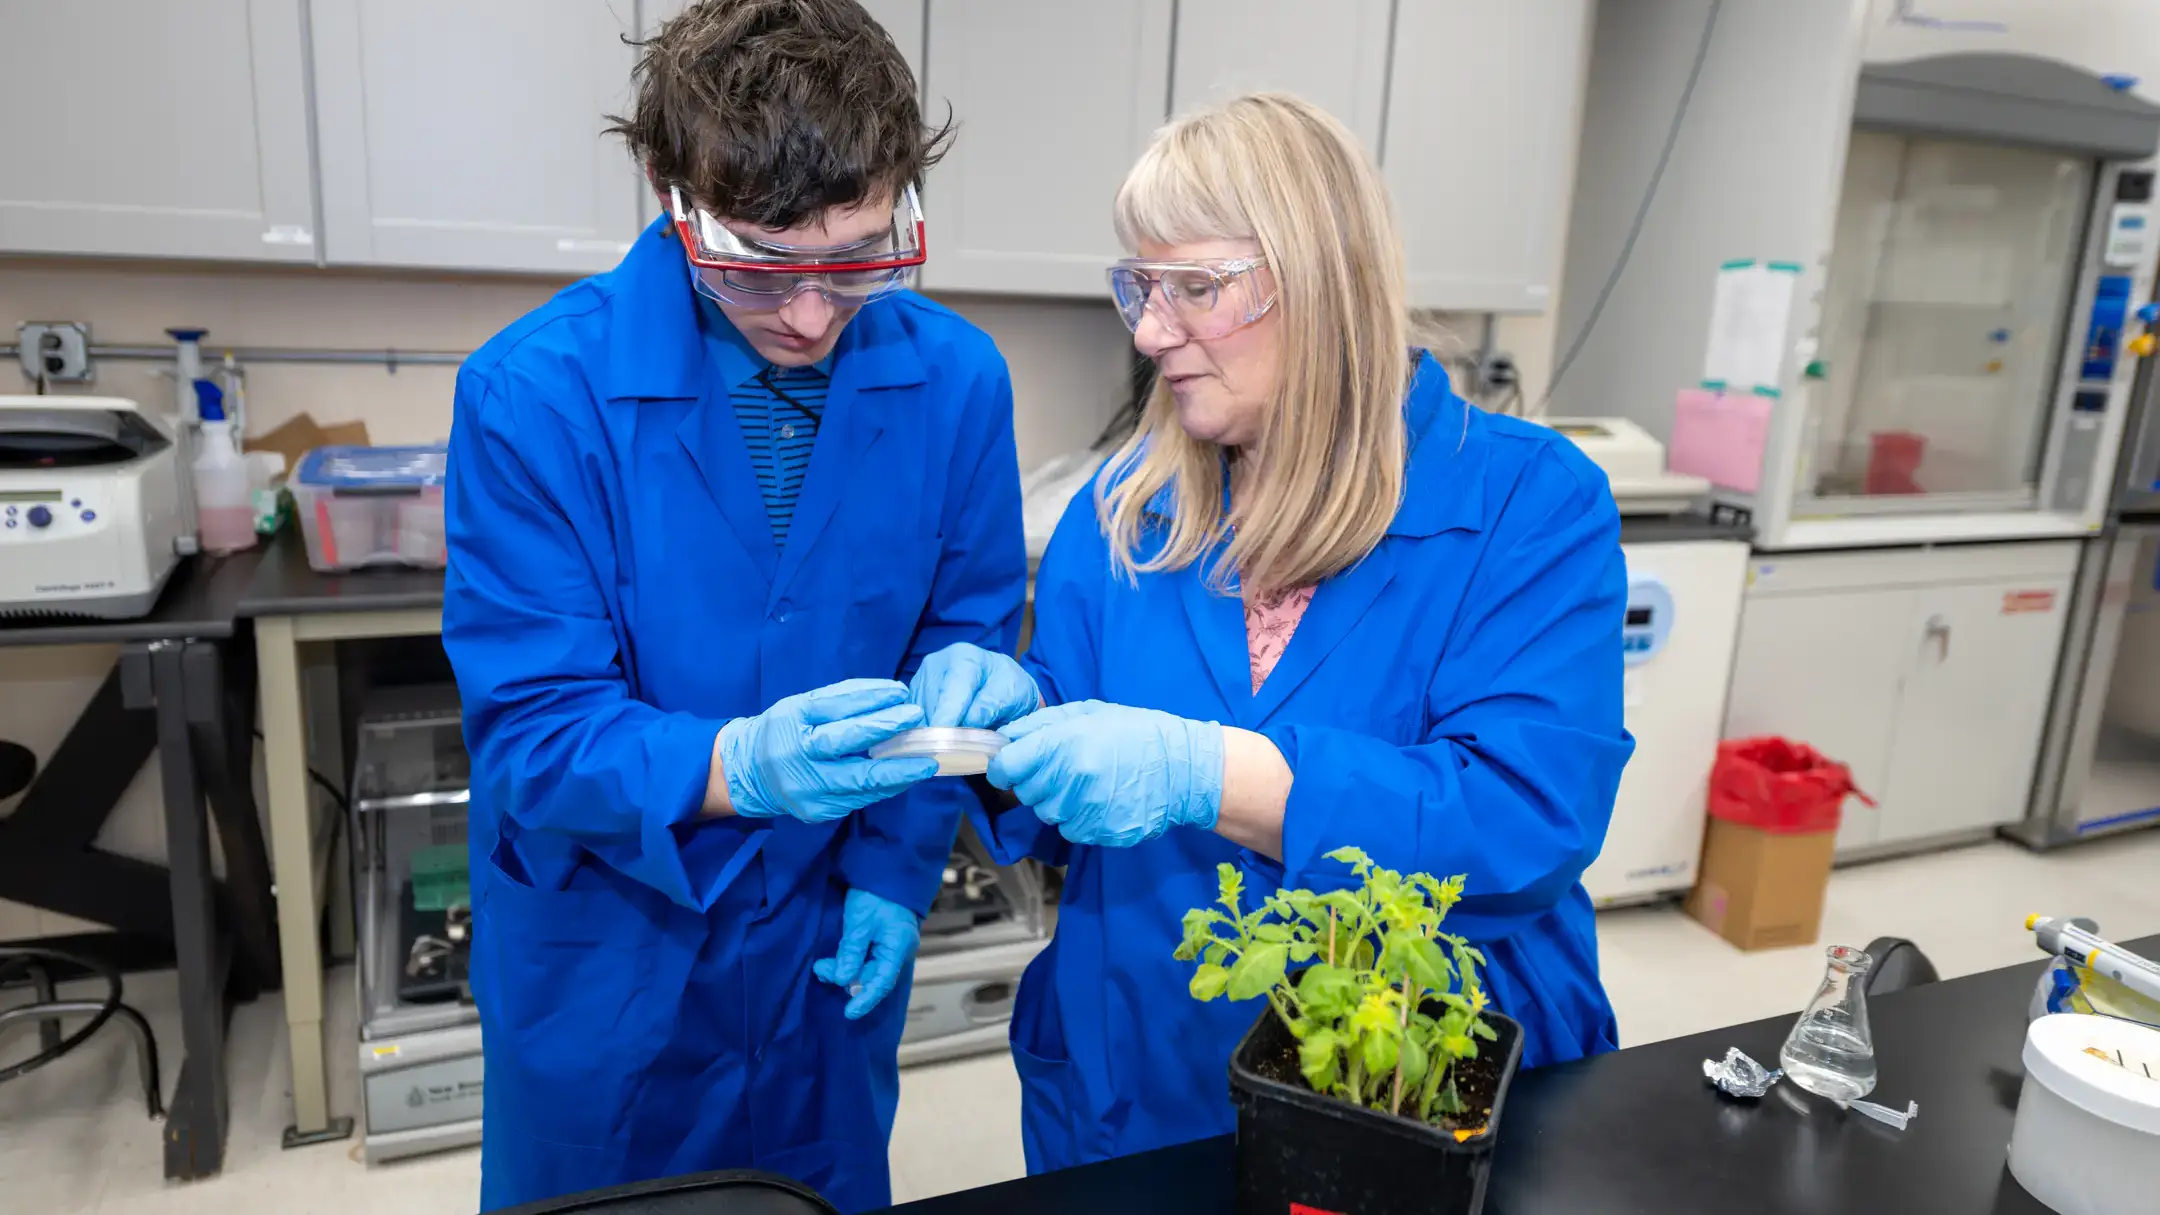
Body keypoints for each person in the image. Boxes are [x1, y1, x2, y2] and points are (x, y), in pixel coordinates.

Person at [911, 93, 1634, 1172]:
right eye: (1141, 289)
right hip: (1136, 1078)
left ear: (1323, 280)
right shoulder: (1118, 513)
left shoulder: (1527, 507)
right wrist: (1018, 731)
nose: (1151, 331)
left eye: (1195, 287)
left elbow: (1521, 816)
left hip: (1403, 1088)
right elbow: (1076, 796)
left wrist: (1214, 774)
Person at [440, 2, 1024, 1209]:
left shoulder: (959, 382)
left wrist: (897, 868)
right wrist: (737, 767)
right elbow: (537, 735)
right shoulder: (535, 395)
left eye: (860, 256)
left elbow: (956, 639)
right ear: (668, 189)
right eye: (762, 267)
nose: (811, 316)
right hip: (609, 949)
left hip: (824, 935)